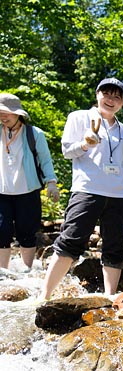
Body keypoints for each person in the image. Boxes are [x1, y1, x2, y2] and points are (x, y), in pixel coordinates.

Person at [40, 78, 123, 299]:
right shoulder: (79, 117)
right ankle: (44, 296)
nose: (111, 100)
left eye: (117, 97)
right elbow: (66, 151)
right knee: (70, 240)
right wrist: (85, 144)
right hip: (87, 190)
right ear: (97, 94)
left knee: (116, 247)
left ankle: (110, 297)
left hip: (117, 194)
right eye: (107, 94)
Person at [0, 93, 59, 270]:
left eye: (6, 113)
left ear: (18, 113)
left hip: (28, 192)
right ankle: (3, 273)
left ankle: (26, 272)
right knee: (1, 232)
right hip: (2, 192)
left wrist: (51, 183)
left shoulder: (34, 134)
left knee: (27, 233)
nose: (3, 116)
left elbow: (45, 160)